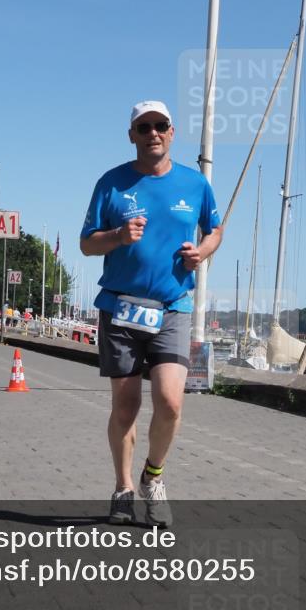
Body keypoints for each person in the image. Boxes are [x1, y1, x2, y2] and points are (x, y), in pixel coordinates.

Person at [80, 100, 222, 528]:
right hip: (121, 307)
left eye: (160, 126)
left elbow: (214, 229)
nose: (152, 133)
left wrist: (202, 252)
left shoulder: (195, 184)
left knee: (170, 402)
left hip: (173, 306)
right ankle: (123, 489)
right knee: (125, 408)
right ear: (132, 135)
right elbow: (87, 244)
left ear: (172, 132)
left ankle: (152, 477)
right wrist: (119, 236)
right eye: (144, 127)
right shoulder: (112, 183)